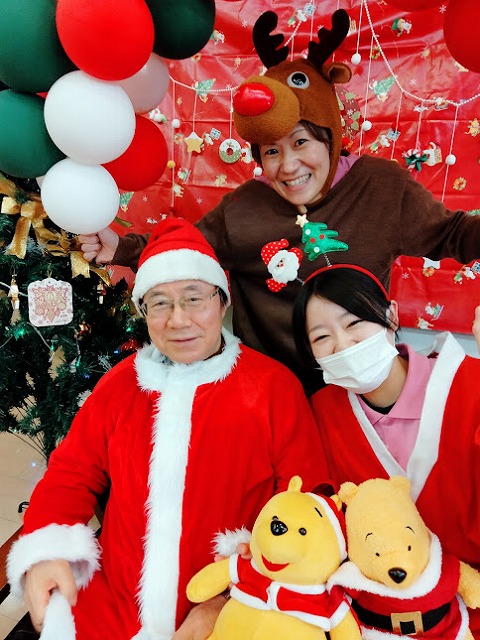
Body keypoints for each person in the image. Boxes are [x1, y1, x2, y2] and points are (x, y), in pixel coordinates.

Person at [79, 9, 480, 394]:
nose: (288, 166)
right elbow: (185, 250)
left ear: (329, 136)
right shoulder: (244, 209)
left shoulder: (381, 188)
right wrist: (122, 248)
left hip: (358, 386)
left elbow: (453, 234)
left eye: (301, 142)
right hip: (270, 393)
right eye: (271, 151)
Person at [7, 218, 328, 640]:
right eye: (159, 303)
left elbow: (308, 505)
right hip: (114, 608)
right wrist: (45, 553)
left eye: (194, 299)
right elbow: (72, 474)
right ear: (143, 312)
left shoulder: (273, 388)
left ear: (222, 302)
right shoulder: (120, 384)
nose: (178, 320)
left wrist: (233, 600)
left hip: (236, 608)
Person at [292, 263, 480, 637]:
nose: (343, 344)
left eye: (354, 322)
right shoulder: (322, 413)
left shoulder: (470, 384)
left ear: (391, 315)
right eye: (322, 337)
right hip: (377, 618)